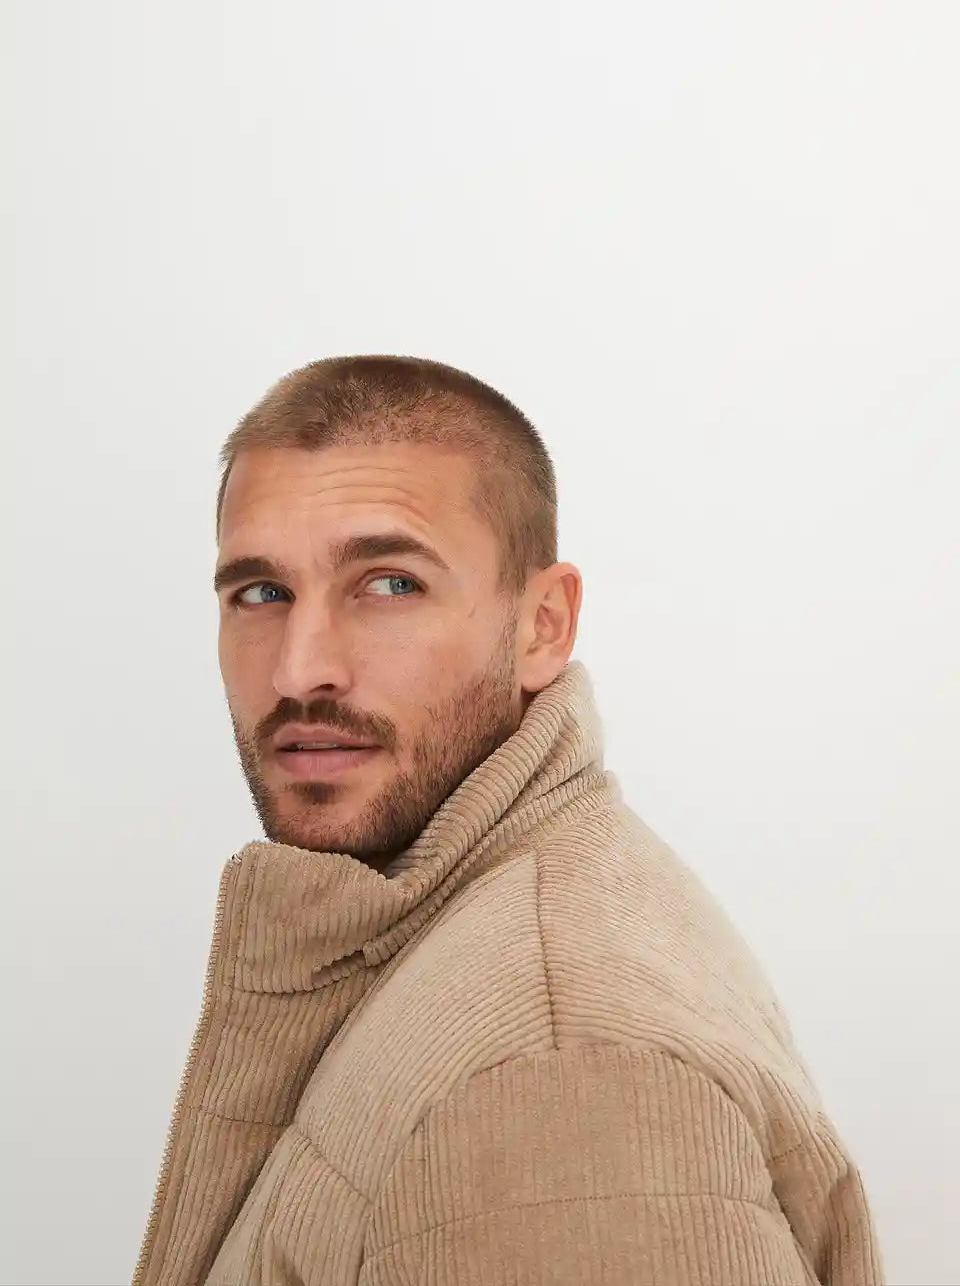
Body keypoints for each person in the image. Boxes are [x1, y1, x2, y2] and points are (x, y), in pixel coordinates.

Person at [133, 355, 882, 1285]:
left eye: (389, 584)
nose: (298, 669)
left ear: (543, 625)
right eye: (261, 593)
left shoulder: (558, 1078)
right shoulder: (480, 922)